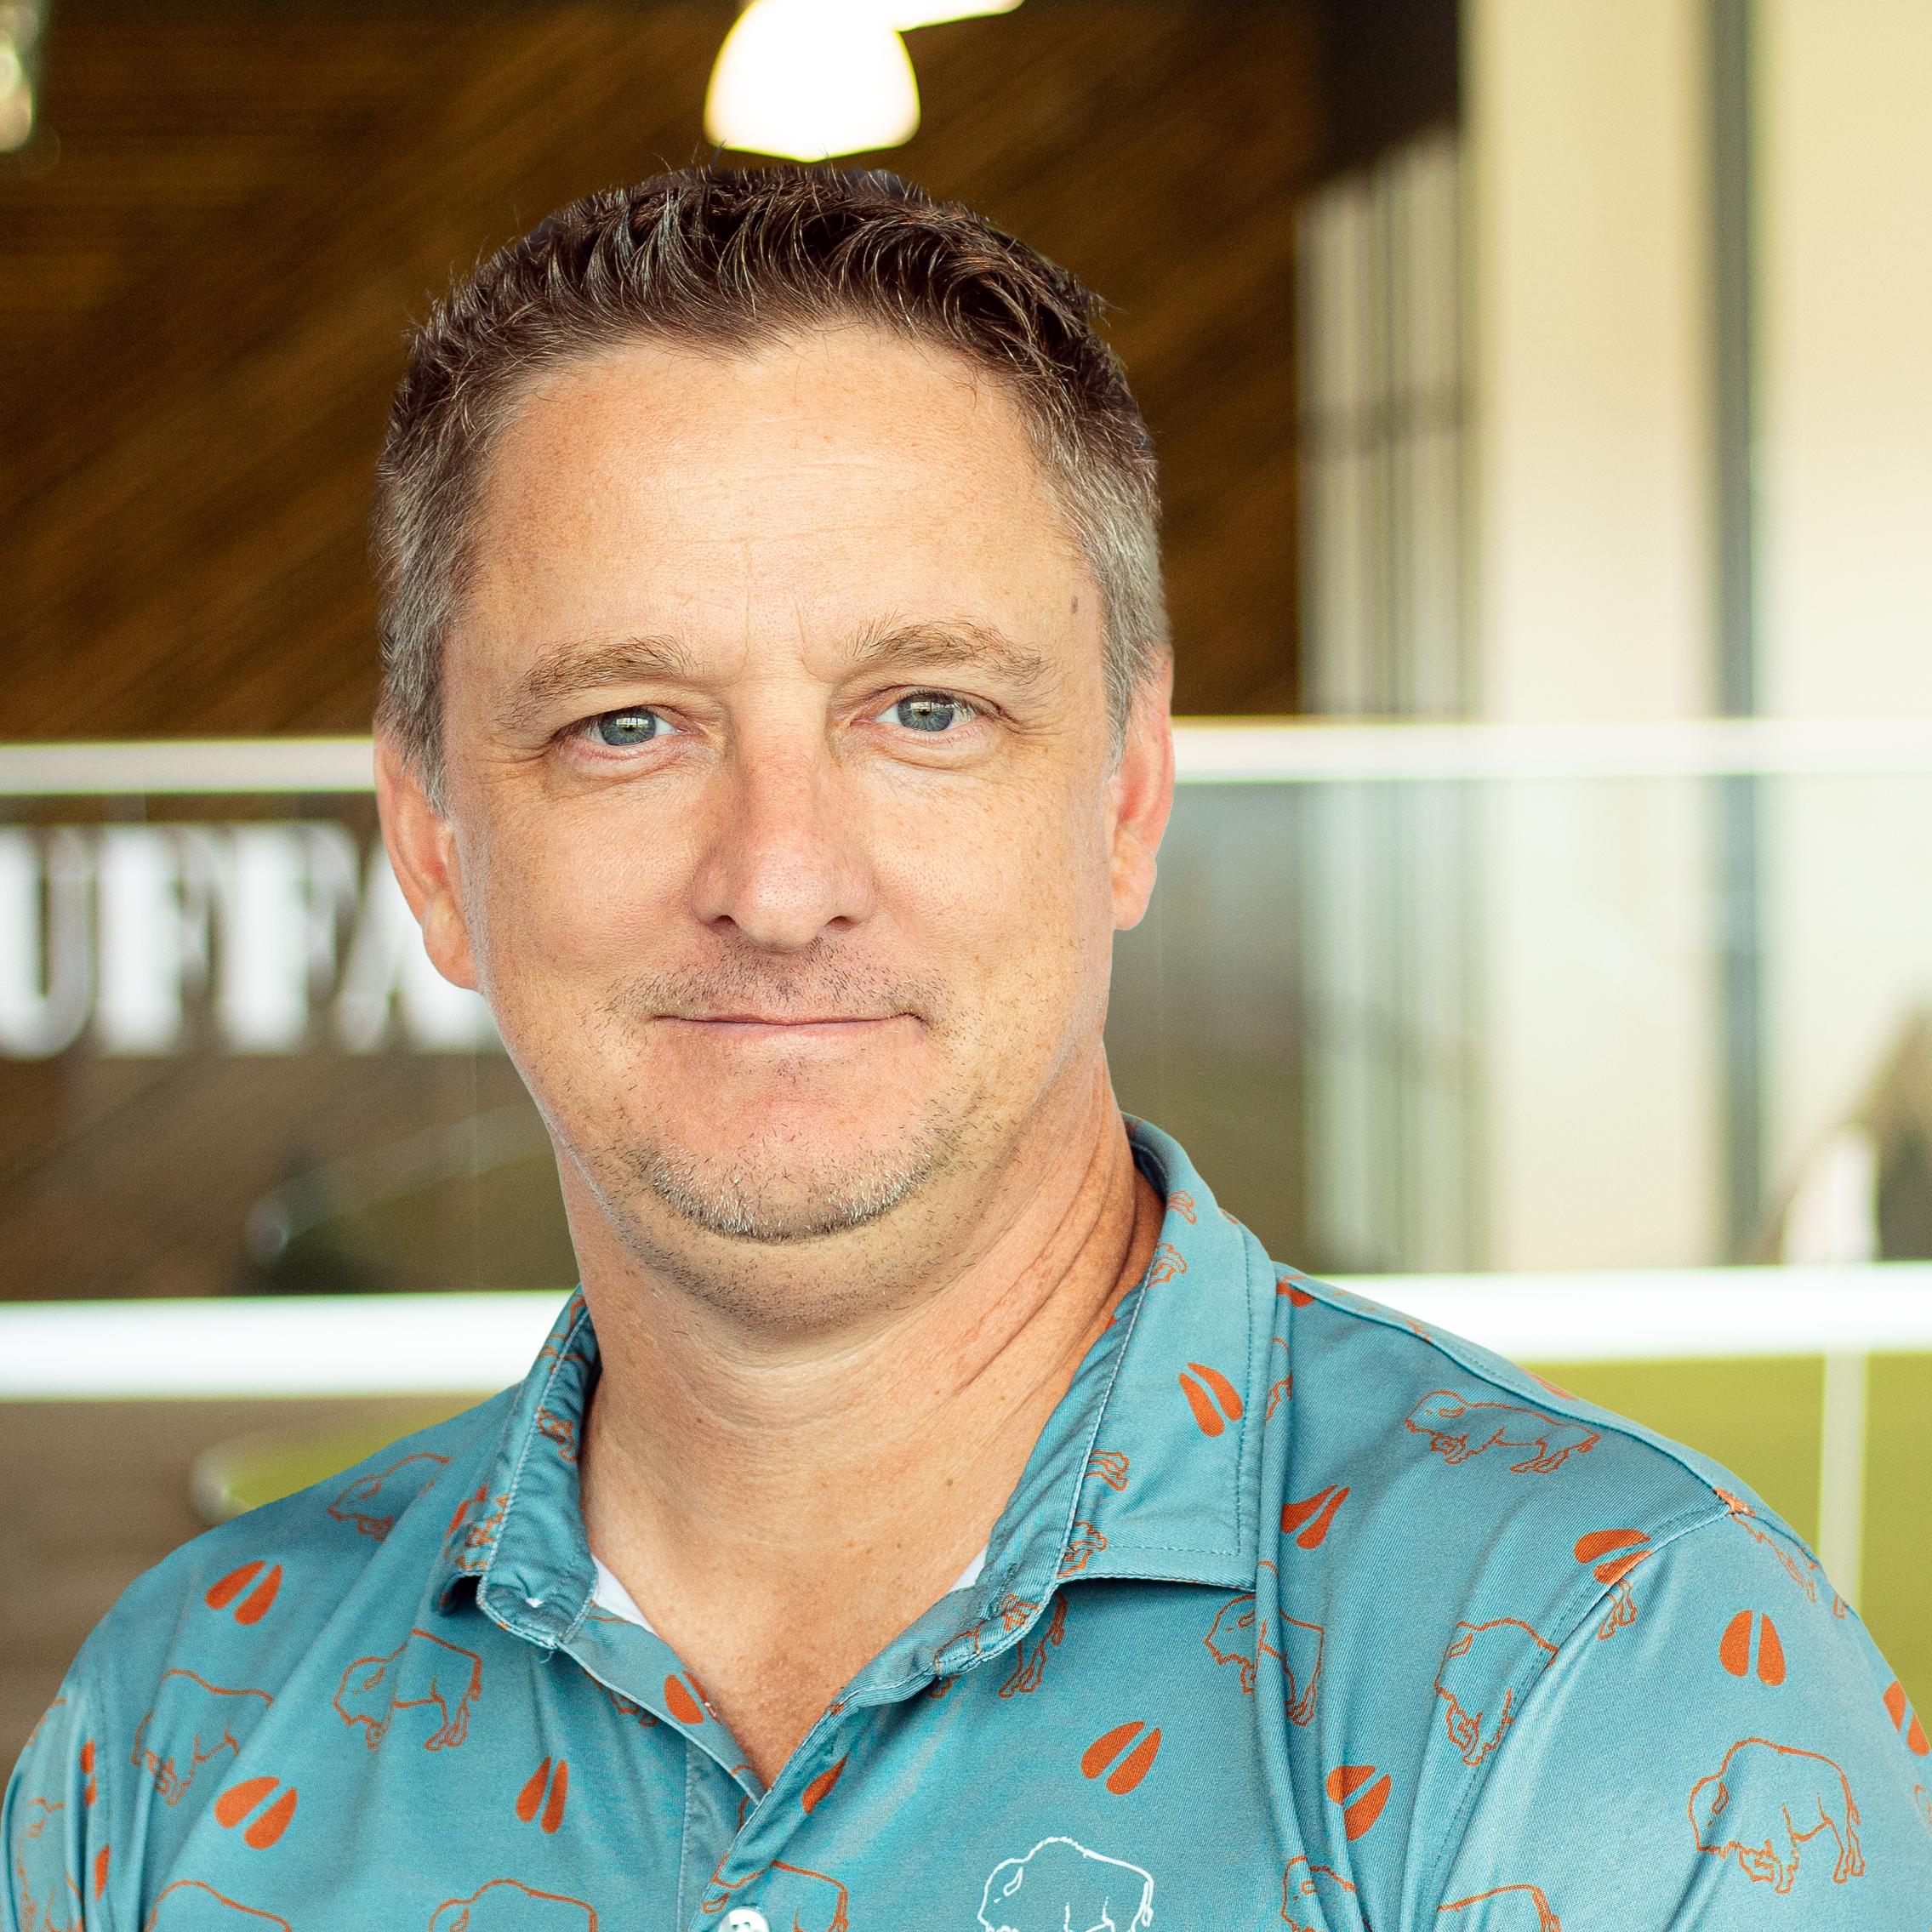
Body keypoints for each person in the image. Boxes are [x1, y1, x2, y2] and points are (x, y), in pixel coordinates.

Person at [6, 165, 1929, 1932]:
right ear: (433, 843)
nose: (775, 877)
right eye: (625, 723)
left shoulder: (1600, 1677)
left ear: (1126, 788)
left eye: (922, 709)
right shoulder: (180, 1728)